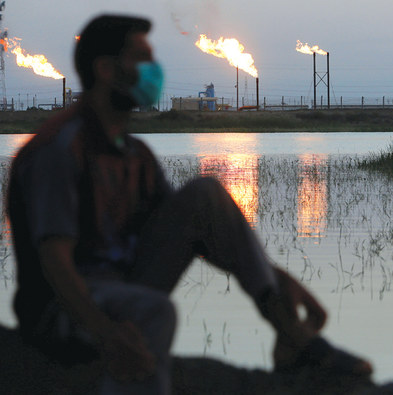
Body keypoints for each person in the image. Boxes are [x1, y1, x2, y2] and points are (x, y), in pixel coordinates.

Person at [7, 14, 371, 394]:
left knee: (205, 196)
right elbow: (54, 262)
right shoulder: (60, 149)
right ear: (105, 69)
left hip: (123, 285)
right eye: (141, 59)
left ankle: (291, 334)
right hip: (63, 310)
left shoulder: (134, 153)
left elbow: (198, 231)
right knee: (154, 310)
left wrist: (278, 279)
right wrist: (107, 332)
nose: (153, 71)